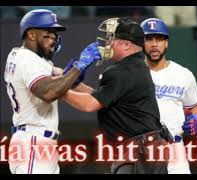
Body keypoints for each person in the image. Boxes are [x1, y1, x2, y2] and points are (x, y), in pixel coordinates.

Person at [62, 17, 173, 174]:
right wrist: (75, 85)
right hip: (147, 149)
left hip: (139, 151)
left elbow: (90, 104)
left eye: (112, 38)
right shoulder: (134, 65)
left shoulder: (121, 71)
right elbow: (103, 97)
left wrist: (59, 90)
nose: (107, 42)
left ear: (126, 45)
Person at [4, 9, 101, 174]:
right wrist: (79, 67)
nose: (53, 38)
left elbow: (59, 75)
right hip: (33, 142)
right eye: (47, 34)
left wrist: (72, 75)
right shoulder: (27, 60)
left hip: (36, 141)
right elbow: (48, 93)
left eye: (54, 34)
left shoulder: (24, 56)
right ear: (32, 35)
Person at [140, 18, 197, 174]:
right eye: (149, 39)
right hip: (141, 150)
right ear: (141, 43)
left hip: (174, 149)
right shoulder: (131, 73)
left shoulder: (183, 74)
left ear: (166, 43)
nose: (154, 44)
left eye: (159, 39)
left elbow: (196, 106)